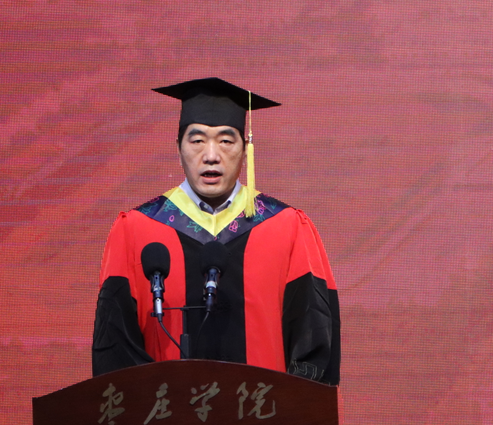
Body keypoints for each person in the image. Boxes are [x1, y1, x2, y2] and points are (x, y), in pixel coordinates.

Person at [92, 77, 340, 386]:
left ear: (245, 149)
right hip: (166, 412)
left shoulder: (287, 228)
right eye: (197, 141)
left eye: (226, 141)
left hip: (262, 412)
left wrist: (289, 409)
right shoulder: (137, 229)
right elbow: (115, 348)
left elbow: (315, 341)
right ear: (178, 148)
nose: (211, 155)